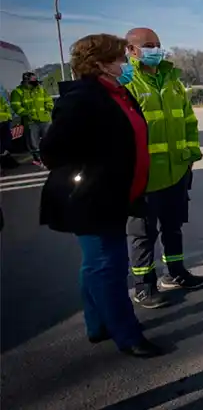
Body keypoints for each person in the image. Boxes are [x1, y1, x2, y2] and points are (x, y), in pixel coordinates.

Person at [39, 33, 162, 358]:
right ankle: (127, 334)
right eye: (120, 59)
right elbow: (51, 151)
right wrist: (96, 165)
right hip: (92, 198)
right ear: (101, 65)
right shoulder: (84, 98)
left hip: (115, 195)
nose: (126, 64)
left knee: (96, 264)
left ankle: (97, 324)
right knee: (108, 265)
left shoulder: (117, 93)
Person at [124, 27, 203, 309]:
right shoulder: (128, 83)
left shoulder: (172, 81)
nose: (156, 50)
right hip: (145, 178)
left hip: (177, 172)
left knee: (173, 227)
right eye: (148, 45)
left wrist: (191, 154)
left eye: (158, 44)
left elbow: (188, 121)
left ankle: (176, 273)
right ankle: (143, 286)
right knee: (142, 235)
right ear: (131, 50)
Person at [10, 72, 53, 168]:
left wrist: (48, 107)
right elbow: (16, 106)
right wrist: (27, 114)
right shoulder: (18, 92)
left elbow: (48, 100)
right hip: (31, 121)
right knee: (34, 143)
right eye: (32, 81)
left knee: (49, 139)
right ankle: (38, 159)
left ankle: (50, 157)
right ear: (26, 81)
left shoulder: (40, 89)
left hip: (45, 119)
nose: (35, 83)